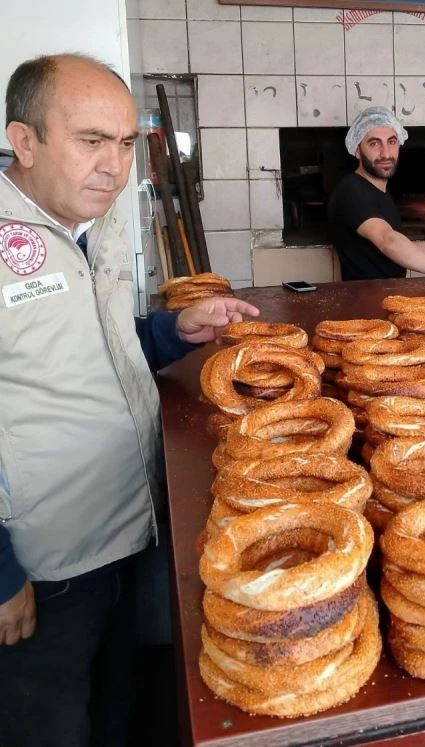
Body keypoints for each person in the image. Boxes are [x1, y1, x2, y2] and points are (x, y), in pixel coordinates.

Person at [0, 54, 259, 747]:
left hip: (135, 521)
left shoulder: (98, 221)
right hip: (47, 558)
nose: (114, 165)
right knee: (48, 722)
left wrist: (177, 331)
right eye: (90, 140)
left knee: (128, 703)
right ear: (24, 141)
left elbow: (101, 349)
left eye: (124, 143)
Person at [328, 106, 425, 282]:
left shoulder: (377, 192)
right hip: (364, 301)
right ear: (356, 149)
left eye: (392, 142)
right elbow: (388, 240)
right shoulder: (352, 192)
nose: (386, 153)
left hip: (385, 294)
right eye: (374, 143)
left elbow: (381, 250)